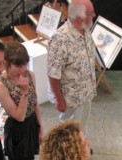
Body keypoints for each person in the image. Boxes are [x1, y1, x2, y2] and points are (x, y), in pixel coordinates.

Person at [0, 42, 43, 160]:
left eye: (25, 63)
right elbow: (18, 116)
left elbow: (35, 103)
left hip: (30, 124)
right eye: (18, 65)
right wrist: (23, 91)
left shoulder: (30, 75)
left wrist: (40, 127)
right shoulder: (0, 84)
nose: (23, 69)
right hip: (15, 127)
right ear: (7, 64)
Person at [47, 0, 96, 136]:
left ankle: (79, 148)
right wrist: (59, 100)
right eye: (91, 12)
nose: (94, 14)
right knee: (67, 132)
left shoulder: (85, 31)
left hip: (85, 93)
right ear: (80, 16)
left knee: (81, 127)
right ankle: (67, 155)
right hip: (70, 99)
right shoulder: (60, 39)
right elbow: (53, 74)